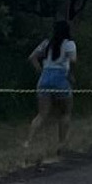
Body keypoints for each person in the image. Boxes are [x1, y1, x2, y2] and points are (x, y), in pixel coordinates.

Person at [24, 20, 77, 150]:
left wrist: (40, 70)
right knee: (65, 112)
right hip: (61, 79)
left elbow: (32, 57)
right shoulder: (69, 44)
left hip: (45, 79)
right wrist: (71, 75)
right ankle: (61, 143)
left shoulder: (46, 43)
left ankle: (28, 142)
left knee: (42, 114)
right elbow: (73, 60)